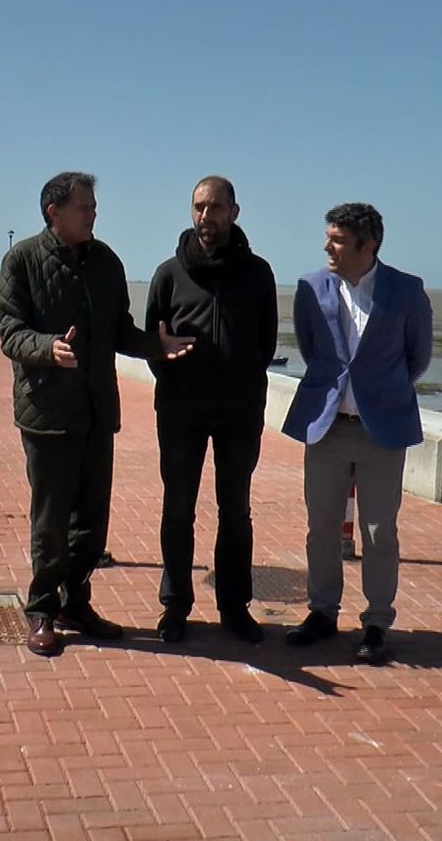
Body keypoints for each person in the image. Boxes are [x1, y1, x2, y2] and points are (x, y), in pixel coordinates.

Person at [0, 171, 194, 657]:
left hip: (96, 411)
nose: (93, 214)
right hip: (46, 413)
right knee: (51, 520)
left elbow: (119, 330)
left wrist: (155, 345)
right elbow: (10, 330)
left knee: (92, 523)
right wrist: (47, 348)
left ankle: (76, 602)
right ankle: (42, 610)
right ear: (54, 212)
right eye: (83, 207)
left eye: (93, 206)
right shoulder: (21, 260)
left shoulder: (106, 262)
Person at [280, 202, 432, 664]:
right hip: (325, 427)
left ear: (367, 246)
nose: (328, 246)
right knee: (320, 527)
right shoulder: (310, 287)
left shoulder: (406, 291)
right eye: (328, 237)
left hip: (380, 428)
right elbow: (312, 349)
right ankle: (322, 613)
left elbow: (417, 358)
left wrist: (378, 392)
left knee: (378, 530)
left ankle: (376, 622)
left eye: (339, 240)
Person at [145, 176, 277, 644]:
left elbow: (266, 343)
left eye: (216, 208)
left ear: (234, 212)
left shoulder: (259, 273)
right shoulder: (169, 273)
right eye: (199, 207)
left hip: (239, 414)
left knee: (235, 510)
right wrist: (176, 374)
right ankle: (175, 606)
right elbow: (152, 343)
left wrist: (238, 380)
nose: (207, 216)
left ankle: (234, 606)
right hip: (181, 413)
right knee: (178, 510)